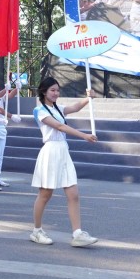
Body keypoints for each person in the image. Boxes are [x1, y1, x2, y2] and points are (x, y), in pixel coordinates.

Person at [29, 77, 98, 248]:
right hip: (50, 151)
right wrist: (84, 136)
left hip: (63, 151)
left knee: (73, 193)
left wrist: (88, 98)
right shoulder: (39, 111)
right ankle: (37, 231)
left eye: (57, 90)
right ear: (44, 91)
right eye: (52, 90)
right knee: (45, 194)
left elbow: (74, 108)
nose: (56, 93)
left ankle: (77, 234)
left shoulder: (59, 108)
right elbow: (60, 127)